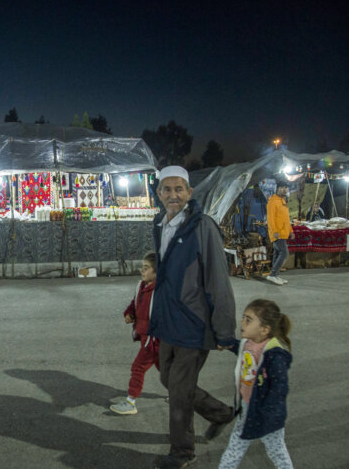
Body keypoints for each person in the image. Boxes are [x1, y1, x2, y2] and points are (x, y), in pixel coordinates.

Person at [147, 165, 237, 469]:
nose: (173, 195)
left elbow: (218, 280)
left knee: (180, 391)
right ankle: (221, 413)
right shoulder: (160, 224)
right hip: (169, 320)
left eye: (179, 189)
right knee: (166, 378)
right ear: (159, 194)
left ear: (190, 192)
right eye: (167, 190)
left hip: (194, 321)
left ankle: (182, 453)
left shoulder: (202, 227)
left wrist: (224, 330)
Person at [217, 299, 293, 469]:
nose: (242, 322)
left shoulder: (274, 354)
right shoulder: (248, 343)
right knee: (237, 444)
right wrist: (227, 343)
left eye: (248, 320)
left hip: (266, 414)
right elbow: (241, 349)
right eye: (243, 318)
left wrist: (267, 412)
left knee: (276, 450)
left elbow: (279, 388)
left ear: (265, 329)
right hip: (248, 407)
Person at [110, 251, 159, 415]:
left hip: (153, 340)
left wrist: (153, 339)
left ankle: (131, 402)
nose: (142, 271)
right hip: (146, 337)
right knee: (167, 372)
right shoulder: (141, 286)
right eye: (142, 267)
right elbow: (134, 303)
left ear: (156, 271)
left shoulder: (160, 292)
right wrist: (128, 313)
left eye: (146, 268)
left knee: (138, 367)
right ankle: (182, 394)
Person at [266, 182, 294, 285]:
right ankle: (273, 275)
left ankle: (275, 275)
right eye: (284, 188)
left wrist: (291, 231)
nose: (286, 190)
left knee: (277, 253)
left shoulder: (283, 201)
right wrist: (274, 232)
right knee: (284, 253)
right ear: (278, 188)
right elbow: (270, 219)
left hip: (283, 232)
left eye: (287, 188)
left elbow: (286, 219)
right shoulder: (272, 202)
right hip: (277, 233)